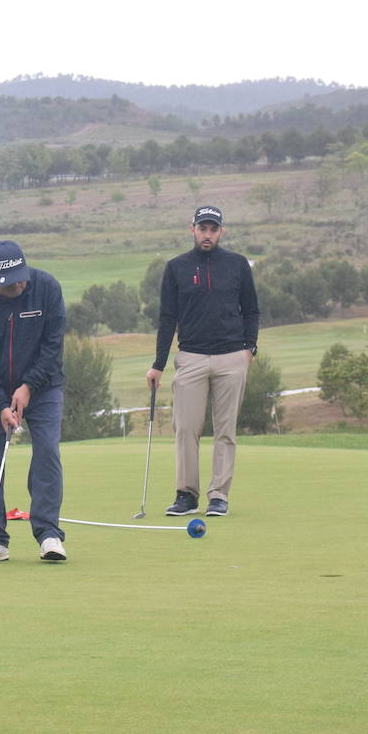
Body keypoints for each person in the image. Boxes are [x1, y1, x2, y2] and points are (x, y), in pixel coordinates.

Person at [146, 206, 259, 518]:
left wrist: (250, 348)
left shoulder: (236, 265)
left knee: (225, 430)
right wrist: (158, 364)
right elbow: (167, 318)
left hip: (232, 356)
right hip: (192, 356)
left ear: (220, 231)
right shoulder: (176, 267)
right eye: (202, 228)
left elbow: (251, 309)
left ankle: (219, 495)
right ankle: (186, 494)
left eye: (212, 229)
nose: (207, 234)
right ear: (192, 229)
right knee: (186, 429)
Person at [0, 241, 67, 563]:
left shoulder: (46, 288)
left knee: (47, 449)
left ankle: (49, 534)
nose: (19, 286)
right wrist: (0, 404)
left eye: (21, 278)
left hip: (44, 386)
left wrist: (28, 386)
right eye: (9, 283)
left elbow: (52, 347)